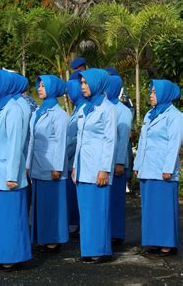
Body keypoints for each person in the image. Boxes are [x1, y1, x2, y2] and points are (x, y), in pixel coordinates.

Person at [0, 69, 31, 271]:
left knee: (9, 218)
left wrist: (12, 175)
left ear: (3, 85)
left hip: (6, 174)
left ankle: (12, 256)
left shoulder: (13, 109)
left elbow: (15, 145)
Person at [72, 68, 116, 264]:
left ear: (96, 83)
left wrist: (104, 169)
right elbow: (79, 140)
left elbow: (110, 140)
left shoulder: (107, 108)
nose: (82, 87)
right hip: (83, 167)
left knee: (98, 210)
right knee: (86, 211)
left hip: (98, 167)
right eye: (81, 83)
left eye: (86, 83)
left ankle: (101, 250)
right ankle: (88, 250)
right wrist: (75, 166)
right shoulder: (84, 108)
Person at [134, 79, 181, 257]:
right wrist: (138, 164)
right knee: (150, 207)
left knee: (164, 208)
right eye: (151, 92)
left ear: (164, 94)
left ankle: (167, 244)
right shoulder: (149, 114)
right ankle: (154, 240)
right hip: (148, 167)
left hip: (163, 170)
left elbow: (174, 144)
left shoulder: (175, 116)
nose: (151, 95)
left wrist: (168, 168)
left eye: (154, 92)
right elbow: (142, 142)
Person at [28, 75, 69, 252]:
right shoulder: (38, 110)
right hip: (37, 163)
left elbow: (60, 142)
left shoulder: (59, 114)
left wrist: (57, 167)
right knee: (41, 204)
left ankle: (53, 239)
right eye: (39, 85)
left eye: (44, 86)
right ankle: (42, 236)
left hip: (51, 164)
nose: (39, 88)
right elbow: (31, 138)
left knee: (52, 204)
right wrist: (28, 163)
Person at [105, 75, 132, 248]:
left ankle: (116, 233)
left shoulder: (123, 110)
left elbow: (123, 139)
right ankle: (109, 230)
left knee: (116, 199)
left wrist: (120, 162)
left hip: (116, 162)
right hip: (106, 162)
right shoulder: (105, 107)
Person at [65, 79, 86, 231]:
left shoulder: (82, 109)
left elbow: (74, 139)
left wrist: (64, 153)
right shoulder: (77, 108)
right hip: (71, 159)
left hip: (73, 158)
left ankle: (77, 225)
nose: (68, 95)